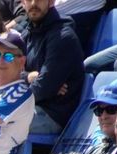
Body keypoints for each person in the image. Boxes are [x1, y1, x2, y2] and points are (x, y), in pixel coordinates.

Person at [17, 0, 85, 139]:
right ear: (23, 3)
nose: (34, 3)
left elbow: (41, 88)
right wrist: (28, 77)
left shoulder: (63, 36)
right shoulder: (28, 33)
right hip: (32, 105)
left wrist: (44, 84)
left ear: (51, 2)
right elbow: (9, 75)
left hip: (52, 114)